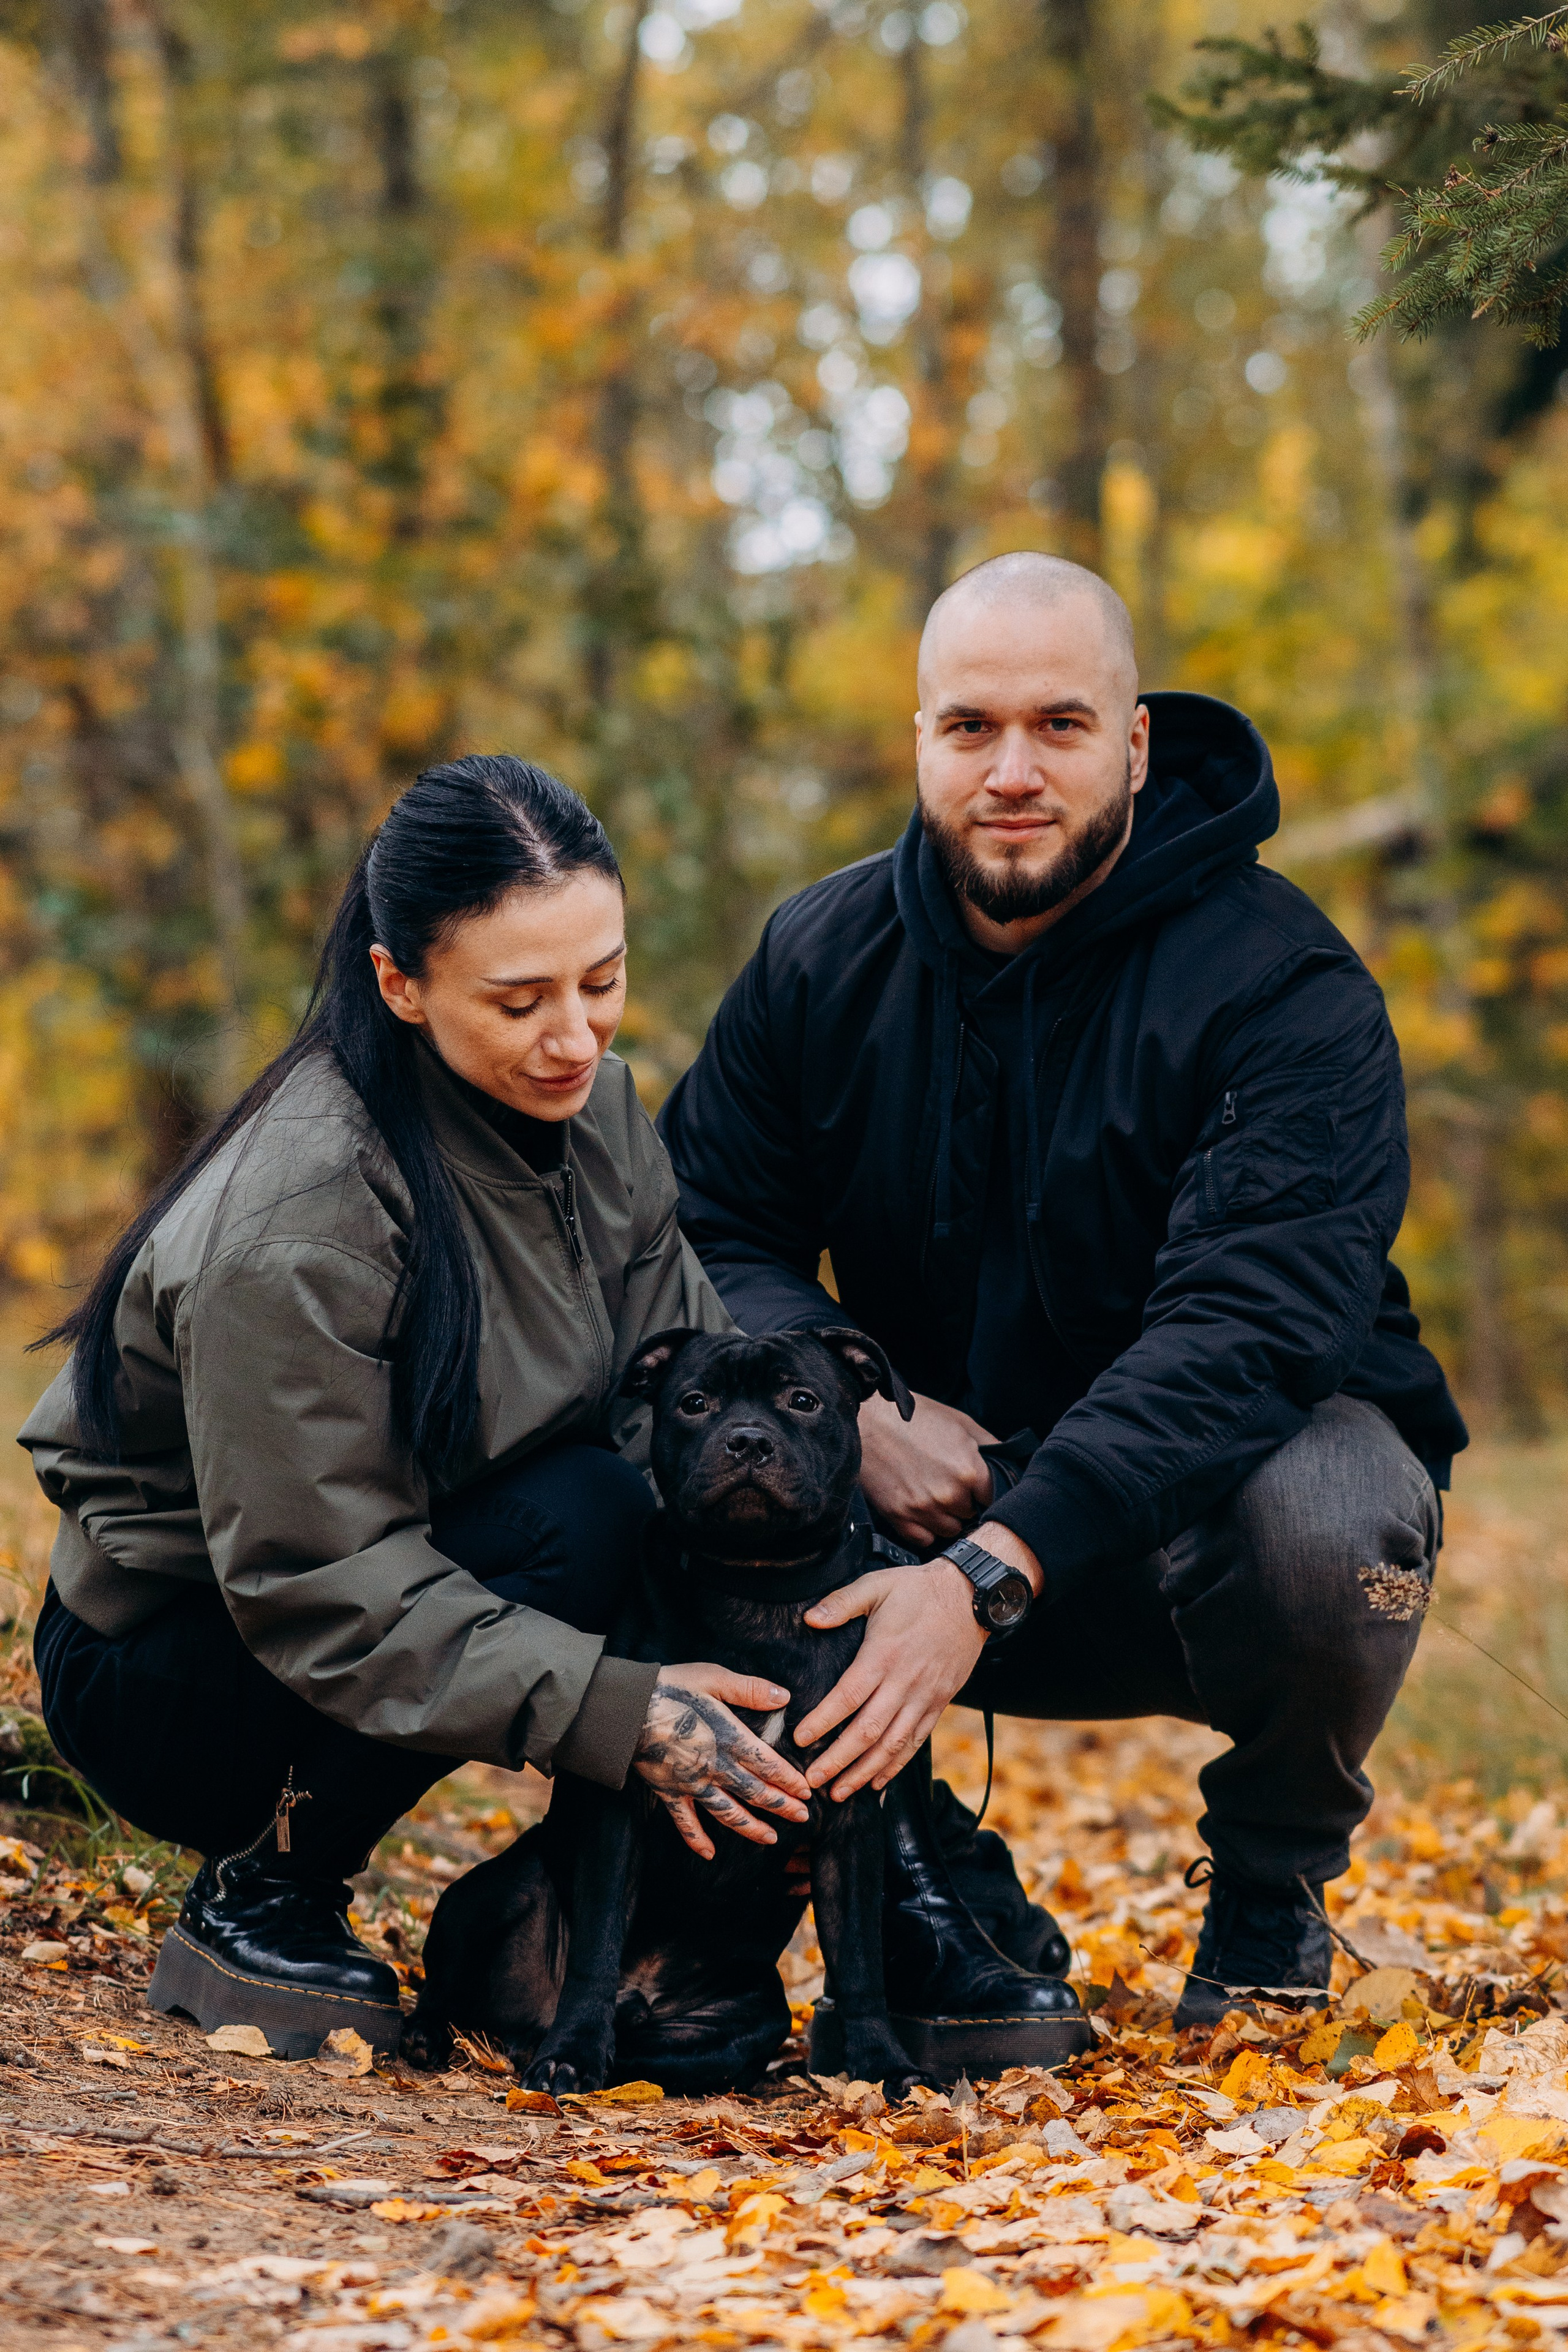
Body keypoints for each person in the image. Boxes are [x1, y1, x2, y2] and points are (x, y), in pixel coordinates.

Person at [658, 552, 1467, 2029]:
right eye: (970, 728)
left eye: (1059, 726)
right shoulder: (815, 958)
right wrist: (859, 1408)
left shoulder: (1284, 985)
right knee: (656, 1444)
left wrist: (997, 1564)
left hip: (1171, 1538)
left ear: (1136, 745)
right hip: (904, 1513)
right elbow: (699, 1220)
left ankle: (1268, 1891)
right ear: (918, 739)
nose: (1011, 772)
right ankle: (917, 1870)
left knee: (1332, 1510)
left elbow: (1246, 1329)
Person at [20, 755, 813, 2052]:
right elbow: (314, 1577)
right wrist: (612, 1709)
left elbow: (676, 1398)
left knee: (626, 1507)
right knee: (584, 1516)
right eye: (519, 1000)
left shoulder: (597, 1114)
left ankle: (625, 1919)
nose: (577, 1037)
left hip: (417, 1566)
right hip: (181, 1665)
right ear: (400, 984)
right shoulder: (299, 1217)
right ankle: (267, 1886)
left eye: (602, 981)